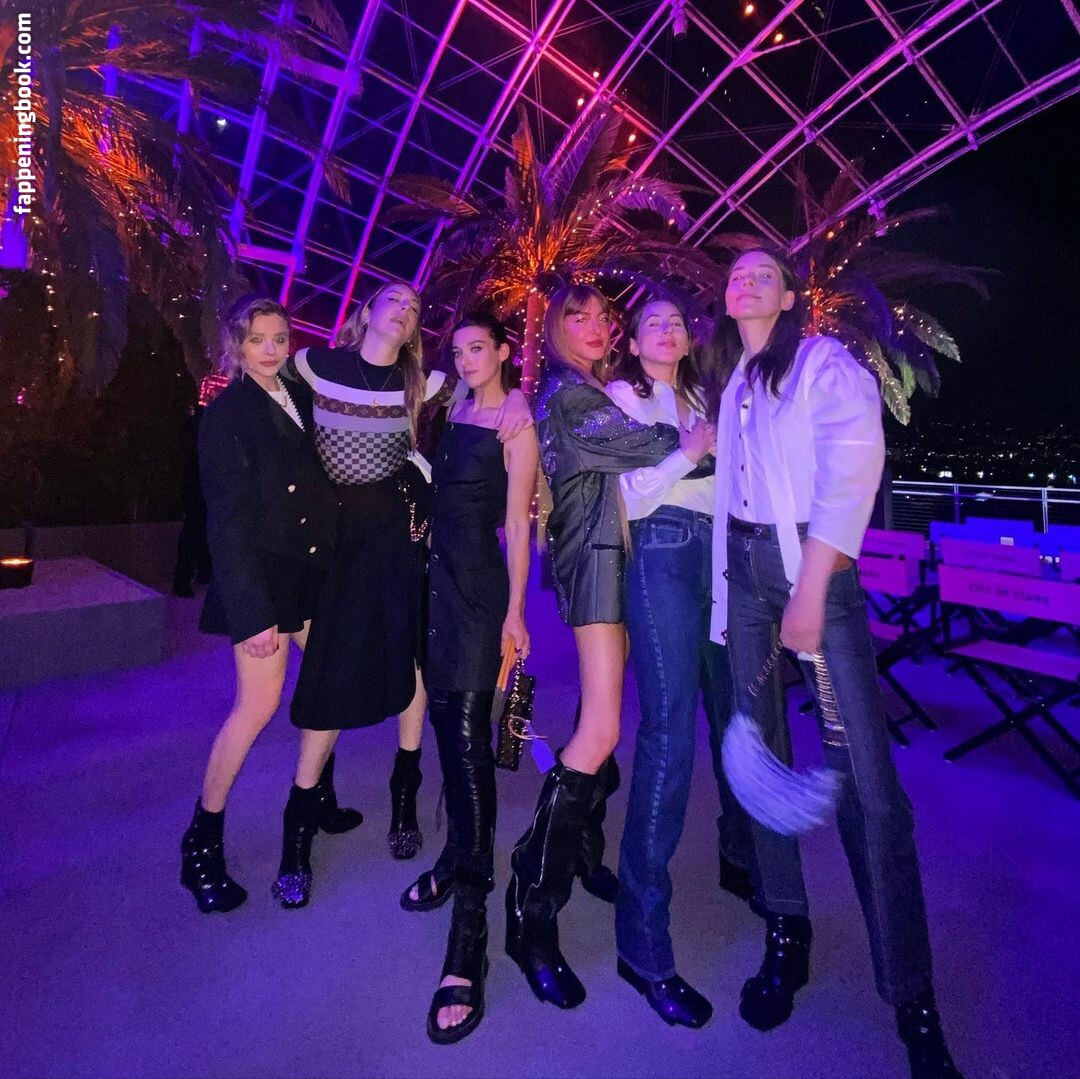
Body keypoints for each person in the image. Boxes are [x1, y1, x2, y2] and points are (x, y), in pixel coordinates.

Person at [710, 249, 961, 1079]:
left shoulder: (823, 362)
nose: (746, 280)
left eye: (764, 273)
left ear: (790, 296)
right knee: (757, 758)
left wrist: (811, 590)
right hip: (744, 573)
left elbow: (853, 467)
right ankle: (787, 928)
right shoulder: (737, 382)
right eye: (736, 273)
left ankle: (912, 993)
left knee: (867, 782)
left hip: (812, 573)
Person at [504, 284, 709, 1010]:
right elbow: (645, 444)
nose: (595, 326)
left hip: (611, 557)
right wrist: (698, 442)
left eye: (602, 317)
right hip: (594, 562)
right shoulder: (568, 393)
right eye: (577, 317)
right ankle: (530, 907)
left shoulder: (585, 390)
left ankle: (582, 853)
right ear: (556, 330)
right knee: (599, 730)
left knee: (602, 720)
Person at [286, 281, 531, 887]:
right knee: (333, 670)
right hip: (352, 550)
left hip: (420, 557)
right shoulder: (318, 366)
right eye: (393, 300)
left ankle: (409, 800)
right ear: (366, 310)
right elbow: (271, 409)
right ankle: (303, 821)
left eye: (414, 307)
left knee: (427, 682)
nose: (404, 311)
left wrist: (521, 397)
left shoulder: (429, 387)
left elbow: (511, 496)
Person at [180, 297, 361, 915]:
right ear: (237, 344)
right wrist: (253, 612)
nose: (270, 349)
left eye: (279, 338)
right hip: (264, 577)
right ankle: (201, 841)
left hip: (311, 572)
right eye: (257, 338)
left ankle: (314, 799)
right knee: (256, 706)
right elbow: (226, 523)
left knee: (334, 679)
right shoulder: (226, 414)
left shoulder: (300, 396)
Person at [606, 295, 755, 1028]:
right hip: (662, 550)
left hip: (722, 555)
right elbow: (629, 499)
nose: (668, 330)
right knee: (669, 733)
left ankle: (741, 858)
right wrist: (689, 453)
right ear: (633, 343)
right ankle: (641, 940)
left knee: (736, 717)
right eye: (652, 324)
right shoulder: (622, 397)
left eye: (675, 322)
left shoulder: (711, 395)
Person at [396, 313, 539, 1043]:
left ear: (504, 351)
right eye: (457, 350)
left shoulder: (517, 423)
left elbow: (518, 523)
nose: (465, 358)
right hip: (435, 585)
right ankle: (456, 855)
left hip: (480, 591)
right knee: (450, 732)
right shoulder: (449, 407)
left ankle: (470, 930)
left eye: (478, 347)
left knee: (469, 741)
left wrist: (516, 611)